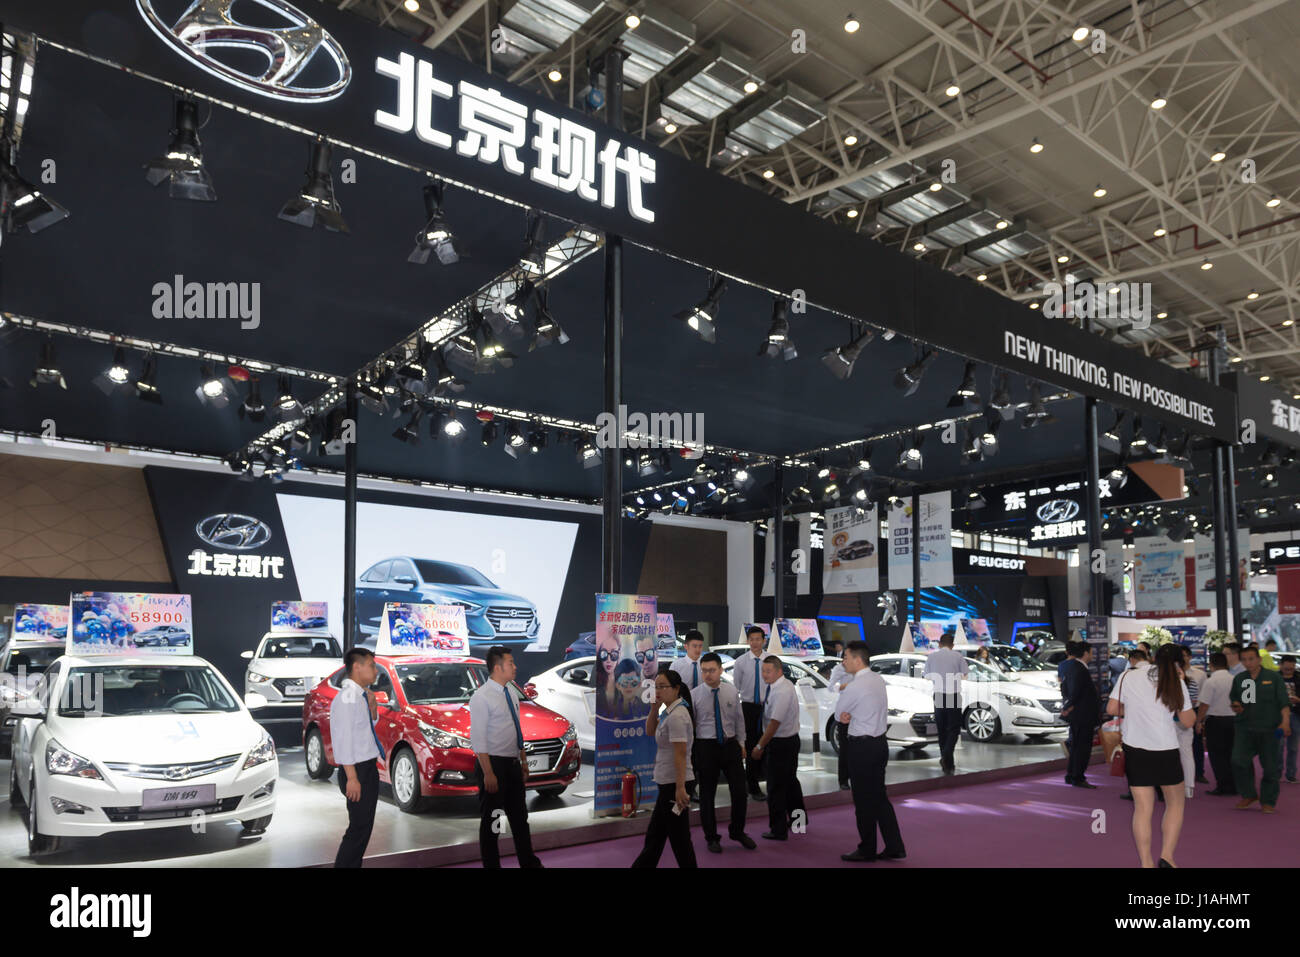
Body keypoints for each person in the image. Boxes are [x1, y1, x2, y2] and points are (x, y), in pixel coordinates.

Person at [1107, 643, 1195, 867]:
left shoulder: (1129, 675)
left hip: (1135, 749)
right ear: (1179, 662)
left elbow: (1111, 709)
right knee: (1175, 804)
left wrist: (1136, 710)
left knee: (1142, 808)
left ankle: (1146, 863)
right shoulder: (1176, 681)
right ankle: (1167, 857)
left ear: (1153, 656)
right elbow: (1188, 721)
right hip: (1165, 749)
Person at [469, 646, 542, 868]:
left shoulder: (511, 691)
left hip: (511, 764)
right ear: (498, 667)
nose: (515, 667)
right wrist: (489, 773)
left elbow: (515, 728)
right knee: (493, 822)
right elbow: (478, 738)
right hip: (493, 765)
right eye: (511, 663)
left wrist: (523, 761)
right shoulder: (482, 697)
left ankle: (529, 863)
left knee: (520, 820)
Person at [836, 641, 906, 862]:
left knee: (864, 802)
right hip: (879, 745)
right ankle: (895, 846)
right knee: (879, 798)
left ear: (857, 660)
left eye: (846, 657)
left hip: (862, 748)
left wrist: (845, 713)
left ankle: (867, 849)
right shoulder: (877, 680)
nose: (843, 661)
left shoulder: (855, 686)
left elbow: (840, 713)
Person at [631, 670, 697, 868]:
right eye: (656, 686)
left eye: (663, 687)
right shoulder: (668, 712)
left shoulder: (678, 715)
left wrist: (680, 788)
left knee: (679, 839)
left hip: (675, 784)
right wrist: (653, 709)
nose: (658, 691)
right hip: (667, 782)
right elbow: (650, 731)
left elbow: (680, 753)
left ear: (676, 689)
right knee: (656, 836)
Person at [691, 653, 755, 852]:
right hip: (706, 746)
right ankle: (711, 837)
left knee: (739, 791)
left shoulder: (731, 691)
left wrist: (742, 743)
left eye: (711, 670)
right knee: (707, 794)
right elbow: (690, 725)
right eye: (704, 671)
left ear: (720, 670)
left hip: (730, 745)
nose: (707, 674)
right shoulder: (694, 695)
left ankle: (737, 831)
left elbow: (739, 720)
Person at [331, 647, 382, 868]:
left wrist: (372, 708)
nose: (376, 670)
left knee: (363, 829)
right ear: (357, 667)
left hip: (366, 768)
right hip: (357, 771)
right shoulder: (346, 699)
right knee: (358, 829)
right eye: (371, 665)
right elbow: (343, 740)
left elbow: (366, 730)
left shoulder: (360, 696)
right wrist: (352, 777)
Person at [1230, 646, 1291, 813]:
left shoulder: (1273, 678)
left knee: (1271, 767)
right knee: (1238, 761)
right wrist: (1236, 707)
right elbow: (1236, 700)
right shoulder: (1240, 679)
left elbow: (1284, 702)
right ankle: (1249, 794)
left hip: (1269, 729)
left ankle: (1268, 800)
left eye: (1251, 659)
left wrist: (1285, 722)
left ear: (1259, 659)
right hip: (1245, 728)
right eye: (1244, 660)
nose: (1248, 663)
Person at [750, 656, 804, 840]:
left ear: (779, 671)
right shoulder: (783, 685)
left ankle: (778, 829)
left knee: (776, 788)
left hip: (781, 743)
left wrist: (759, 746)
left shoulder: (781, 691)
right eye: (763, 671)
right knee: (790, 783)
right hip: (789, 741)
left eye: (768, 671)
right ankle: (799, 822)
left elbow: (774, 723)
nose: (764, 675)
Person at [922, 633, 968, 774]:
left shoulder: (932, 657)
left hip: (939, 695)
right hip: (953, 695)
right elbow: (965, 674)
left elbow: (927, 675)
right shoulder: (958, 656)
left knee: (941, 729)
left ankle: (947, 761)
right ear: (952, 645)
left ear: (940, 644)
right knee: (953, 729)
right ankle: (947, 757)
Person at [669, 630, 705, 799]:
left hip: (703, 712)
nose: (697, 649)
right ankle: (684, 786)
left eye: (700, 646)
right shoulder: (677, 665)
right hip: (683, 711)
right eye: (694, 646)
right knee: (685, 749)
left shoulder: (705, 665)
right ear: (686, 646)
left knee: (699, 752)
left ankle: (695, 786)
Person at [1059, 639, 1101, 788]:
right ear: (1085, 653)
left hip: (1078, 715)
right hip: (1083, 715)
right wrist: (1068, 706)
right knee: (1082, 747)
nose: (1092, 655)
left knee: (1077, 746)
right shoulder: (1079, 669)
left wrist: (1068, 706)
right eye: (1091, 652)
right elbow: (1075, 692)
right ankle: (1077, 777)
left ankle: (1072, 775)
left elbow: (1065, 688)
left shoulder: (1072, 667)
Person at [733, 626, 768, 800]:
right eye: (752, 639)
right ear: (748, 641)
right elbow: (736, 687)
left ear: (764, 640)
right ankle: (752, 787)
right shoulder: (740, 662)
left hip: (767, 707)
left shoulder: (770, 660)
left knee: (767, 745)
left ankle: (768, 782)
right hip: (747, 708)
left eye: (758, 639)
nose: (755, 642)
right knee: (751, 745)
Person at [1197, 653, 1238, 796]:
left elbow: (1204, 705)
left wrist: (1198, 721)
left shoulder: (1211, 681)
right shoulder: (1235, 679)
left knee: (1217, 756)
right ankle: (1234, 785)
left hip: (1216, 722)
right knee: (1231, 753)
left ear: (1211, 665)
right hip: (1234, 721)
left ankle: (1223, 786)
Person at [1182, 647, 1209, 784]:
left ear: (1190, 657)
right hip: (1176, 711)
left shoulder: (1200, 674)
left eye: (1185, 655)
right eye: (1180, 656)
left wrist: (1201, 718)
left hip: (1195, 710)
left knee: (1197, 743)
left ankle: (1199, 772)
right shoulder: (1172, 673)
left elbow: (1204, 696)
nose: (1183, 658)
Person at [827, 655, 853, 789]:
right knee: (845, 749)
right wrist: (846, 686)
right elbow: (831, 687)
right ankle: (843, 780)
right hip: (844, 713)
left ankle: (857, 778)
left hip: (859, 713)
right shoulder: (838, 669)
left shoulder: (859, 670)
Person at [1280, 656, 1299, 784]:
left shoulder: (1299, 678)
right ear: (1281, 666)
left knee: (1293, 747)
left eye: (1291, 668)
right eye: (1286, 668)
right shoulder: (1274, 678)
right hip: (1278, 718)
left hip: (1296, 716)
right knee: (1278, 746)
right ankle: (1276, 773)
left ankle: (1291, 774)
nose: (1288, 670)